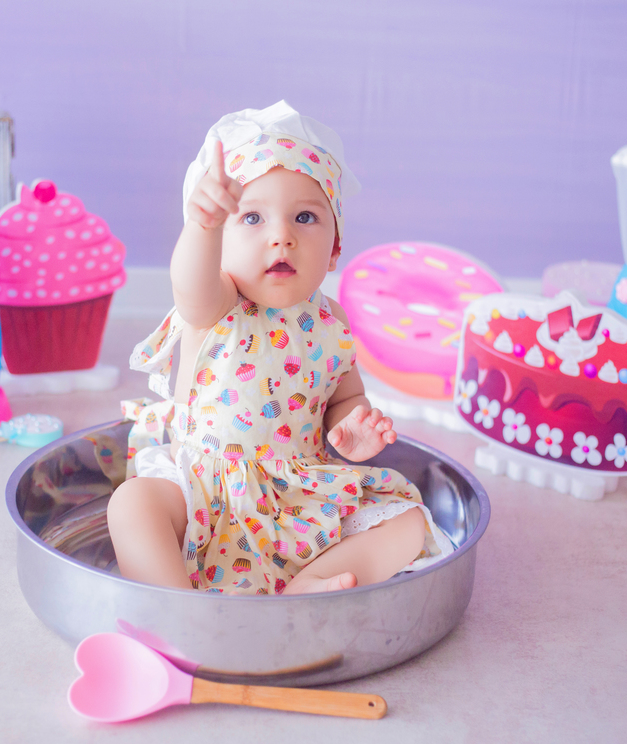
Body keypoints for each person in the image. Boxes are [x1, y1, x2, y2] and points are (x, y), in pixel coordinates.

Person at [109, 101, 452, 595]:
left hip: (298, 493)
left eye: (306, 217)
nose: (281, 236)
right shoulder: (218, 303)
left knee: (407, 522)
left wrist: (353, 425)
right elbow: (189, 282)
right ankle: (181, 612)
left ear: (335, 249)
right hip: (207, 490)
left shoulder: (330, 321)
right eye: (251, 218)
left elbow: (345, 398)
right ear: (220, 245)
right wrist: (201, 227)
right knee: (132, 504)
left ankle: (309, 587)